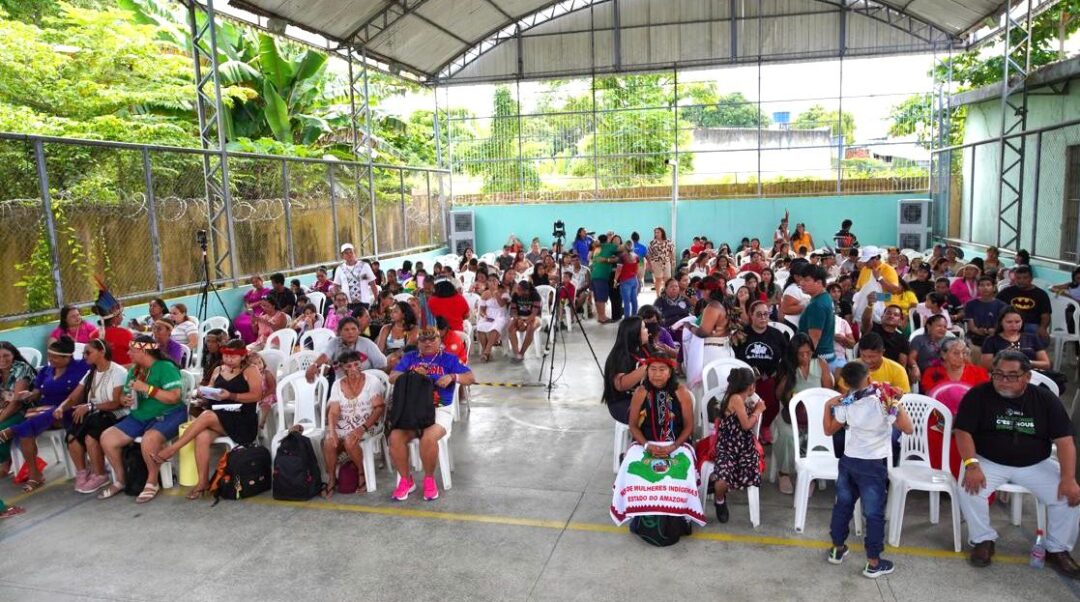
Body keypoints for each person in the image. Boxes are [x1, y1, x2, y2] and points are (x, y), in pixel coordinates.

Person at [954, 350, 1080, 577]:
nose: (1003, 380)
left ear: (1027, 377)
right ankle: (983, 540)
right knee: (968, 488)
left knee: (1069, 496)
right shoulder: (978, 394)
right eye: (998, 374)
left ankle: (1057, 548)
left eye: (1012, 376)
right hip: (989, 460)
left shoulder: (1045, 400)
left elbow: (1065, 442)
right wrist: (972, 465)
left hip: (1035, 464)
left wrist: (1069, 479)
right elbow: (963, 432)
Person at [824, 361, 912, 578]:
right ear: (869, 378)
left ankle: (837, 549)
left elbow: (828, 430)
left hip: (848, 461)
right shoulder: (883, 401)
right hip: (873, 465)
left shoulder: (846, 402)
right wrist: (896, 402)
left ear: (845, 382)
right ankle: (873, 562)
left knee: (843, 505)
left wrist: (828, 406)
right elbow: (908, 428)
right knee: (873, 514)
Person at [153, 340, 262, 499]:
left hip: (242, 419)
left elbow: (257, 395)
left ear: (243, 356)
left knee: (207, 416)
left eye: (233, 356)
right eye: (226, 355)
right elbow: (211, 390)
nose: (229, 359)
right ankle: (202, 482)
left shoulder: (250, 370)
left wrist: (231, 395)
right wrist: (205, 395)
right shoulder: (218, 369)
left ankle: (171, 449)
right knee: (202, 436)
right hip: (219, 415)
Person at [388, 327, 475, 502]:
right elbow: (392, 376)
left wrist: (453, 377)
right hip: (413, 408)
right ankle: (406, 480)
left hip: (439, 409)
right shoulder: (410, 358)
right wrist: (412, 373)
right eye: (423, 340)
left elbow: (470, 377)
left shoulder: (448, 359)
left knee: (428, 438)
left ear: (439, 341)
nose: (427, 343)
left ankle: (429, 479)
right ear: (418, 342)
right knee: (395, 437)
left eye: (432, 339)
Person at [96, 336, 185, 502]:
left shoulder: (165, 367)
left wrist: (147, 388)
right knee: (107, 438)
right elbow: (125, 394)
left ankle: (152, 481)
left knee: (149, 439)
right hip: (140, 415)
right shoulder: (135, 370)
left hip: (169, 413)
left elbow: (174, 397)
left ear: (144, 351)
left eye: (132, 351)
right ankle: (122, 480)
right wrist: (125, 399)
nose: (128, 353)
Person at [0, 337, 90, 492]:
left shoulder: (80, 367)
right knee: (26, 432)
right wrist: (29, 395)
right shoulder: (46, 371)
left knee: (48, 413)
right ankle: (35, 475)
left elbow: (96, 349)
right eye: (49, 356)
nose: (50, 360)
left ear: (67, 357)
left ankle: (13, 430)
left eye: (54, 357)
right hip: (45, 411)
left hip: (69, 410)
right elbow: (37, 393)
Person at [46, 339, 127, 494]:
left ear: (102, 352)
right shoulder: (91, 373)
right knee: (72, 436)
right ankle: (82, 472)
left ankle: (100, 474)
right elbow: (74, 396)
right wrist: (62, 407)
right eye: (84, 353)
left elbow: (117, 403)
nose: (84, 356)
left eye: (88, 352)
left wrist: (90, 406)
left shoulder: (118, 372)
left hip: (115, 414)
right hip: (95, 413)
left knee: (91, 436)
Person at [774, 333, 834, 494]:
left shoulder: (820, 364)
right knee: (787, 435)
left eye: (808, 352)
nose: (805, 356)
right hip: (792, 414)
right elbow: (779, 396)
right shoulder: (787, 366)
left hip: (815, 415)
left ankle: (811, 475)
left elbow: (828, 392)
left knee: (820, 435)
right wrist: (788, 375)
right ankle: (784, 473)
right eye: (801, 354)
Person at [322, 350, 385, 497]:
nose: (353, 369)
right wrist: (332, 432)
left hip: (368, 423)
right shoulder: (338, 384)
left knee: (350, 441)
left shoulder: (371, 381)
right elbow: (333, 412)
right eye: (348, 366)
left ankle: (361, 472)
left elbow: (378, 409)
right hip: (345, 423)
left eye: (356, 364)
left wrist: (362, 428)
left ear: (361, 364)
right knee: (329, 443)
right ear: (343, 368)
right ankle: (332, 479)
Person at [707, 367, 766, 523]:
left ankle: (717, 485)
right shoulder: (736, 399)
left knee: (750, 470)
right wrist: (757, 411)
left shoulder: (745, 396)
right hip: (729, 444)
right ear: (749, 386)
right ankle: (719, 499)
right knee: (723, 478)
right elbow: (746, 425)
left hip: (743, 444)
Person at [307, 316, 387, 383]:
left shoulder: (367, 344)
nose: (350, 332)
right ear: (340, 332)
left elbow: (382, 365)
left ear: (359, 331)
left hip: (365, 385)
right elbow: (325, 355)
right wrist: (314, 365)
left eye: (353, 329)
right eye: (346, 330)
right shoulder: (334, 343)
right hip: (341, 386)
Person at [602, 317, 651, 424]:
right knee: (651, 418)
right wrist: (647, 367)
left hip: (643, 396)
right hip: (622, 402)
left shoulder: (644, 348)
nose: (647, 331)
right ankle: (642, 440)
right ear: (635, 334)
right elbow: (620, 385)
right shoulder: (619, 356)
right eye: (644, 328)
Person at [979, 307, 1053, 373]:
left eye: (1017, 322)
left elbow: (1046, 364)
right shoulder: (991, 340)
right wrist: (1003, 358)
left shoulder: (1032, 338)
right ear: (1001, 322)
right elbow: (985, 366)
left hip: (1032, 376)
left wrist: (1026, 362)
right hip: (1003, 377)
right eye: (1009, 322)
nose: (1014, 326)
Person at [0, 343, 35, 479]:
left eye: (6, 355)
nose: (2, 359)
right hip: (5, 408)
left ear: (14, 355)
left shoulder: (21, 368)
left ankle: (4, 463)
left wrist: (1, 418)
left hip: (24, 410)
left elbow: (16, 402)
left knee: (1, 428)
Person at [837, 333, 911, 394]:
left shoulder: (897, 370)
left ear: (882, 352)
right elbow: (843, 394)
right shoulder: (851, 368)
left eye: (872, 356)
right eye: (863, 355)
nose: (867, 360)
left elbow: (903, 398)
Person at [798, 265, 840, 370]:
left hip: (818, 362)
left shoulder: (816, 305)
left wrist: (803, 364)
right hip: (827, 357)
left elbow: (813, 340)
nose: (801, 283)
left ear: (819, 283)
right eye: (801, 279)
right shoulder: (826, 297)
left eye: (806, 280)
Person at [996, 265, 1052, 341]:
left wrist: (1043, 328)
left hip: (1031, 325)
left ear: (1031, 279)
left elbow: (1045, 315)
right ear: (1015, 279)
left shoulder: (1041, 294)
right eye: (1018, 278)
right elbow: (995, 307)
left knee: (1041, 339)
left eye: (1025, 278)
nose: (1021, 280)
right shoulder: (1006, 292)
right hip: (1010, 324)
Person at [333, 243, 379, 312]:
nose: (349, 255)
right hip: (348, 304)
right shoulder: (340, 269)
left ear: (354, 253)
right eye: (346, 253)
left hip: (364, 303)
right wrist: (339, 301)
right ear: (342, 256)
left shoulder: (364, 266)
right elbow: (336, 286)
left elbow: (373, 283)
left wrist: (376, 299)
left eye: (351, 252)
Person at [965, 276, 1008, 347]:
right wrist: (978, 331)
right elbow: (971, 327)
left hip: (996, 335)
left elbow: (1003, 324)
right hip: (975, 336)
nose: (985, 288)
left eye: (988, 285)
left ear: (994, 288)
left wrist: (995, 330)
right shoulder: (970, 304)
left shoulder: (1002, 305)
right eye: (982, 285)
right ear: (978, 288)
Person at [376, 301, 419, 371]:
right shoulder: (386, 328)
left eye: (395, 311)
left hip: (404, 358)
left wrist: (392, 357)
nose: (391, 314)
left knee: (396, 361)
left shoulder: (413, 329)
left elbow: (407, 349)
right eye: (391, 311)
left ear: (404, 314)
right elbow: (379, 351)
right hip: (387, 359)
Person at [508, 280, 543, 361]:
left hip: (534, 317)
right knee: (510, 328)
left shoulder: (535, 295)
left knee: (531, 328)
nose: (517, 290)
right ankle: (517, 353)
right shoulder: (515, 295)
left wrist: (525, 323)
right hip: (520, 316)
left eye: (519, 289)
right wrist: (517, 319)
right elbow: (513, 310)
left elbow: (534, 313)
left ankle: (522, 352)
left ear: (525, 290)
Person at [476, 282, 510, 362]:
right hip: (488, 316)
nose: (492, 283)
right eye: (490, 281)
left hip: (501, 316)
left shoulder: (504, 292)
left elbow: (502, 304)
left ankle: (486, 352)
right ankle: (486, 353)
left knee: (495, 327)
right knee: (480, 326)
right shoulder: (485, 294)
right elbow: (482, 310)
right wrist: (485, 316)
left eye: (494, 280)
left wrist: (496, 294)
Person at [590, 234, 617, 323]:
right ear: (608, 240)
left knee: (597, 298)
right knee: (602, 298)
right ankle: (603, 317)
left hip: (594, 275)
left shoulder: (597, 248)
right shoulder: (609, 246)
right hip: (602, 275)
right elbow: (622, 249)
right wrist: (611, 259)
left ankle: (600, 316)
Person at [235, 276, 270, 343]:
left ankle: (253, 341)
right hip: (250, 311)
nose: (255, 284)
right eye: (253, 282)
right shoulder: (251, 291)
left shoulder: (266, 290)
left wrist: (251, 305)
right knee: (237, 321)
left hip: (260, 310)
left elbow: (262, 301)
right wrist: (248, 307)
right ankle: (243, 340)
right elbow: (246, 301)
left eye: (256, 281)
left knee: (250, 324)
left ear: (261, 281)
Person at [780, 261, 810, 330]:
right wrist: (807, 306)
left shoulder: (803, 287)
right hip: (794, 326)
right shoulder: (792, 290)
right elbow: (786, 309)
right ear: (796, 276)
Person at [646, 227, 675, 295]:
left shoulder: (668, 241)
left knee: (667, 279)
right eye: (655, 232)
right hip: (656, 262)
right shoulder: (652, 242)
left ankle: (666, 293)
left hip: (666, 262)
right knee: (658, 279)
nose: (656, 234)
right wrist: (649, 264)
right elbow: (649, 254)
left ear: (662, 232)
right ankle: (658, 295)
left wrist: (673, 261)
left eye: (658, 232)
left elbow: (672, 252)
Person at [616, 240, 640, 318]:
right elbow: (637, 269)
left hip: (625, 280)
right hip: (634, 279)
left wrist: (615, 280)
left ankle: (627, 319)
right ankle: (635, 317)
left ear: (624, 247)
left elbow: (619, 270)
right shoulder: (636, 256)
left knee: (626, 302)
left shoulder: (622, 257)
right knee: (634, 300)